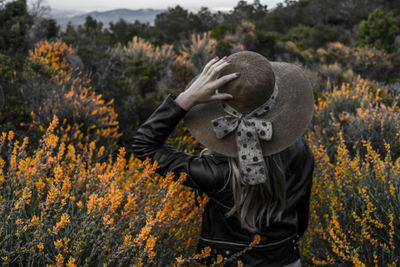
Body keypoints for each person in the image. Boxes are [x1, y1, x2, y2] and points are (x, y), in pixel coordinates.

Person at [131, 51, 315, 266]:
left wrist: (185, 99)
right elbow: (301, 222)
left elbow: (143, 145)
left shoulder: (215, 172)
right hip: (287, 259)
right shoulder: (301, 149)